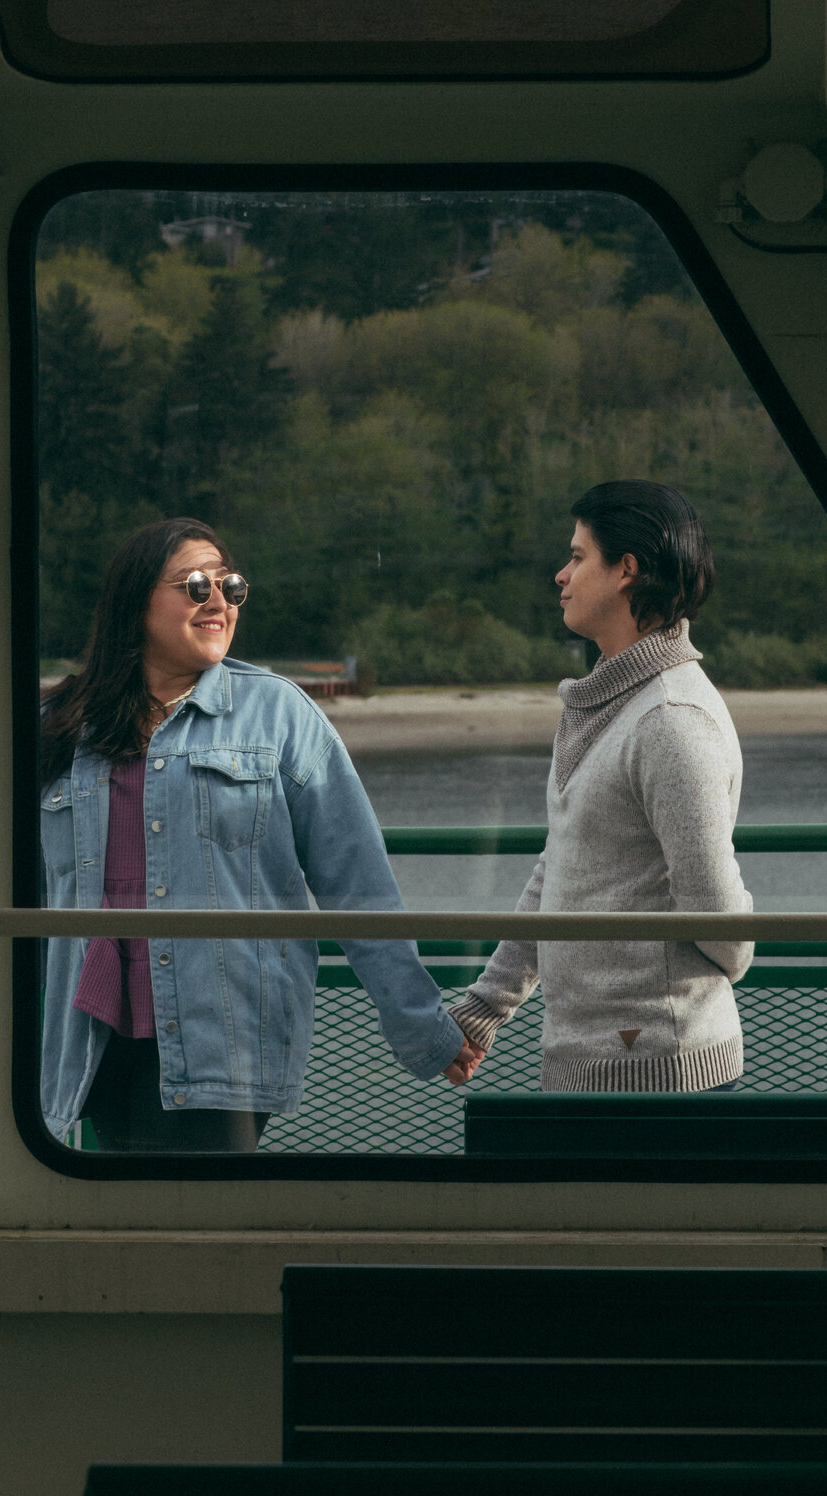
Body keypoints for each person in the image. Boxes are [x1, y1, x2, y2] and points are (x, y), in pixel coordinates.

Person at [39, 516, 478, 1151]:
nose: (218, 601)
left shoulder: (279, 715)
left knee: (208, 1235)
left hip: (224, 1039)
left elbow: (358, 882)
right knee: (124, 1236)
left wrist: (421, 1026)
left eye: (231, 586)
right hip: (89, 1038)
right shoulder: (60, 726)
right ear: (136, 602)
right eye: (195, 585)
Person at [450, 480, 754, 1093]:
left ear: (627, 571)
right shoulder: (608, 705)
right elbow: (562, 869)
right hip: (589, 1064)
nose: (561, 575)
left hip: (662, 1074)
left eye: (578, 556)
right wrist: (485, 1008)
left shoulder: (671, 720)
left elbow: (722, 924)